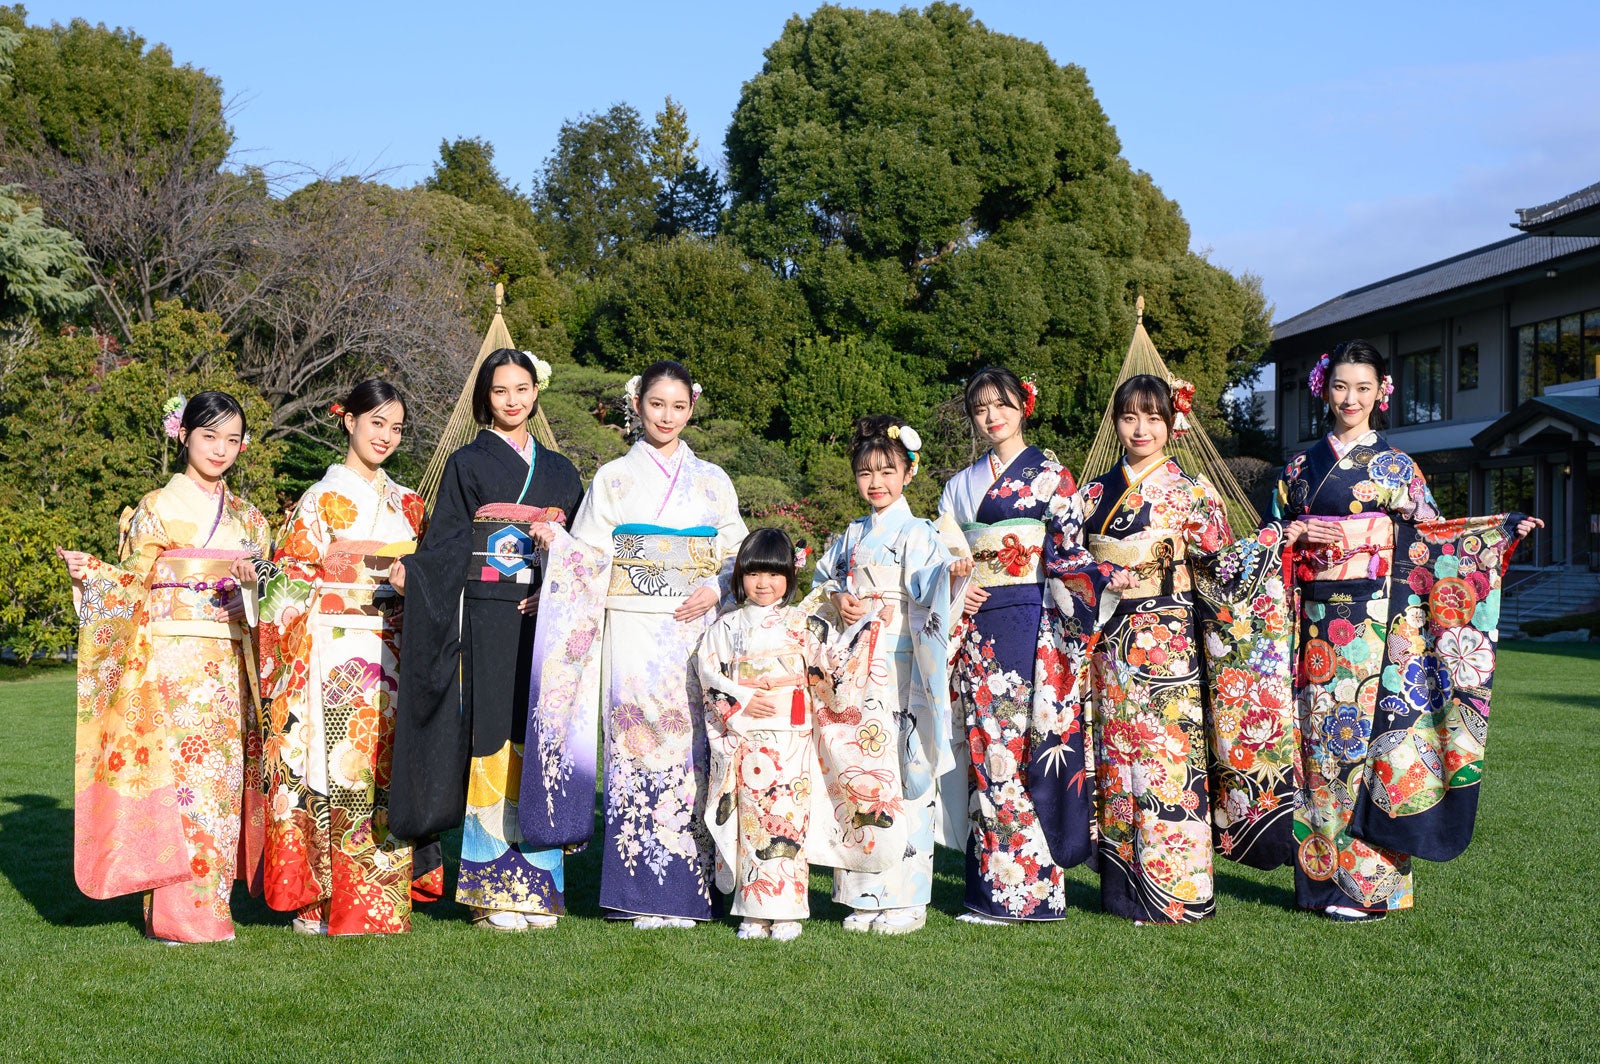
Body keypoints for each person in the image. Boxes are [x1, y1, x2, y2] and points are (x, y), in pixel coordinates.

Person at [1275, 340, 1541, 921]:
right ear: (1325, 388)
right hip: (1310, 620)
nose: (1351, 398)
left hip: (1377, 624)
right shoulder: (1297, 468)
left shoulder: (1397, 467)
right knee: (1317, 746)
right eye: (1341, 386)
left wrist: (1498, 530)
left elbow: (1435, 540)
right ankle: (1320, 883)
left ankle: (1374, 890)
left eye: (1363, 388)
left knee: (1374, 748)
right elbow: (1273, 539)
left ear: (1381, 393)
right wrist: (1295, 536)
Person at [62, 390, 271, 943]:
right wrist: (92, 578)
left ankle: (212, 910)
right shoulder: (155, 507)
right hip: (170, 664)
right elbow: (132, 584)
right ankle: (178, 917)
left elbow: (269, 594)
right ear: (183, 436)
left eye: (232, 440)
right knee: (179, 782)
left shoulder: (250, 518)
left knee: (220, 784)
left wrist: (251, 592)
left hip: (228, 661)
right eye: (209, 437)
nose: (221, 450)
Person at [388, 350, 583, 932]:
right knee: (491, 737)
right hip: (485, 616)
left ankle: (538, 887)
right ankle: (490, 888)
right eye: (501, 391)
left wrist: (551, 580)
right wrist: (415, 574)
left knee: (538, 735)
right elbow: (446, 544)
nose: (513, 400)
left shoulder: (563, 473)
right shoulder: (466, 464)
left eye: (522, 389)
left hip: (541, 620)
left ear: (536, 392)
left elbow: (582, 552)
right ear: (485, 397)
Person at [556, 361, 747, 929]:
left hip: (695, 626)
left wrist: (715, 586)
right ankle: (639, 891)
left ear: (692, 409)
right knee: (636, 744)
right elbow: (589, 557)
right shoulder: (613, 478)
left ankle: (690, 893)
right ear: (636, 404)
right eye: (656, 404)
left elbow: (741, 553)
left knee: (693, 749)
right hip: (634, 629)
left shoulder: (713, 480)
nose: (667, 416)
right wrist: (557, 546)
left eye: (679, 406)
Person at [255, 379, 438, 935]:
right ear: (349, 421)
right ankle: (322, 898)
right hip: (335, 646)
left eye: (396, 427)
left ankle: (379, 900)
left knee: (387, 766)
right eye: (376, 423)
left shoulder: (409, 502)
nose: (385, 436)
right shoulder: (318, 500)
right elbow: (286, 578)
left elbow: (431, 572)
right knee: (332, 766)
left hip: (398, 644)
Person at [938, 368, 1106, 924]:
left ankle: (1036, 893)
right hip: (978, 622)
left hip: (1033, 621)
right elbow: (944, 553)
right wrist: (957, 582)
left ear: (1023, 406)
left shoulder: (1054, 477)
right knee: (987, 750)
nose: (993, 417)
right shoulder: (960, 484)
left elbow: (1069, 553)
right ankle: (992, 889)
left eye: (1002, 405)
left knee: (1027, 746)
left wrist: (1095, 584)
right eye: (981, 408)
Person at [1080, 375, 1236, 923]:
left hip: (1168, 635)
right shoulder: (1092, 493)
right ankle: (1122, 891)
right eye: (1129, 417)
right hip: (1109, 634)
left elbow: (1225, 570)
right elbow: (1069, 562)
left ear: (1173, 423)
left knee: (1168, 755)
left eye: (1152, 417)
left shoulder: (1192, 493)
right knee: (1117, 754)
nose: (1140, 429)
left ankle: (1181, 891)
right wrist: (1099, 575)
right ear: (1115, 423)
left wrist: (1271, 549)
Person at [810, 415, 970, 934]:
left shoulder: (919, 532)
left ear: (908, 473)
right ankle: (863, 894)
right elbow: (822, 579)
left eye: (887, 471)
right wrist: (839, 596)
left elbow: (928, 587)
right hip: (856, 666)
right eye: (865, 473)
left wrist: (949, 574)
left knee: (904, 772)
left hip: (902, 665)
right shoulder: (852, 534)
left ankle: (904, 898)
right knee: (856, 774)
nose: (875, 482)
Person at [696, 527, 828, 942]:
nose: (764, 583)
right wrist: (742, 700)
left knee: (789, 820)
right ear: (740, 576)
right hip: (748, 736)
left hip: (793, 737)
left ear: (790, 575)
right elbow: (708, 672)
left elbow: (830, 671)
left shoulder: (805, 624)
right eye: (754, 574)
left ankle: (787, 911)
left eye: (773, 574)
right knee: (753, 822)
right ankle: (753, 910)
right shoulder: (726, 626)